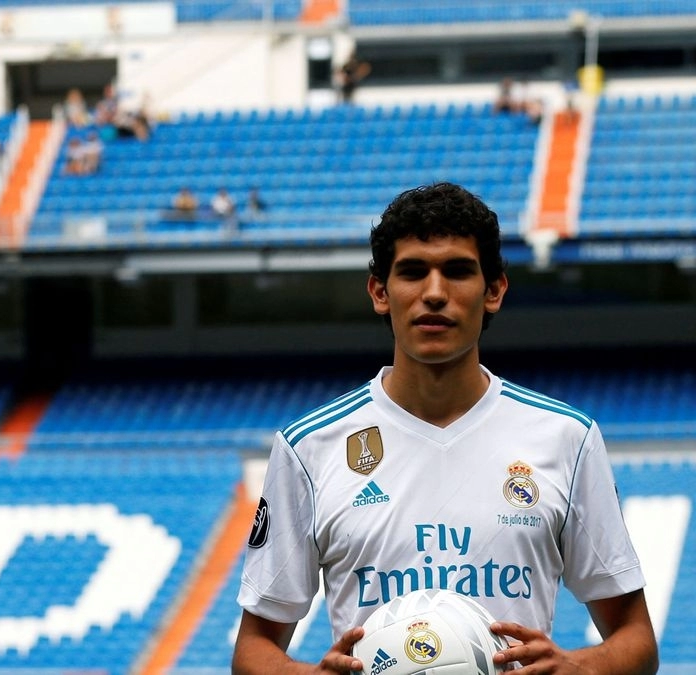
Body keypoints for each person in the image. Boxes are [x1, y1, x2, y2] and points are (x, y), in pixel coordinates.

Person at [233, 182, 657, 675]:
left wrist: (582, 668)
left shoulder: (566, 438)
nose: (434, 293)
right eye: (413, 272)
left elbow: (637, 638)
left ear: (494, 290)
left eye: (457, 271)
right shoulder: (310, 449)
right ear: (379, 292)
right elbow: (253, 647)